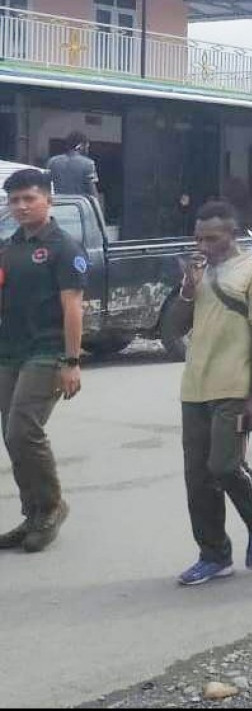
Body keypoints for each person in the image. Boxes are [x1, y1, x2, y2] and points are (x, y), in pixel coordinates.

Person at [172, 200, 252, 585]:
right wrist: (187, 289)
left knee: (225, 466)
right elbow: (175, 329)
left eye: (212, 238)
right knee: (197, 478)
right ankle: (213, 554)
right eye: (198, 238)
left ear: (233, 234)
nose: (203, 245)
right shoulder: (197, 273)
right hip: (195, 387)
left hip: (235, 386)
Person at [0, 168, 86, 553]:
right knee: (12, 435)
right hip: (10, 351)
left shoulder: (63, 246)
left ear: (48, 199)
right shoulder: (9, 246)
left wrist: (71, 360)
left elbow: (73, 307)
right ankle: (32, 514)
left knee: (24, 430)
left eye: (28, 198)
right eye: (14, 200)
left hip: (48, 351)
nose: (20, 206)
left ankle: (51, 508)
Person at [46, 131, 100, 199]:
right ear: (80, 146)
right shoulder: (88, 164)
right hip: (77, 205)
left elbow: (46, 187)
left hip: (57, 204)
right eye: (87, 147)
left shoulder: (52, 162)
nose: (87, 150)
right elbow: (93, 193)